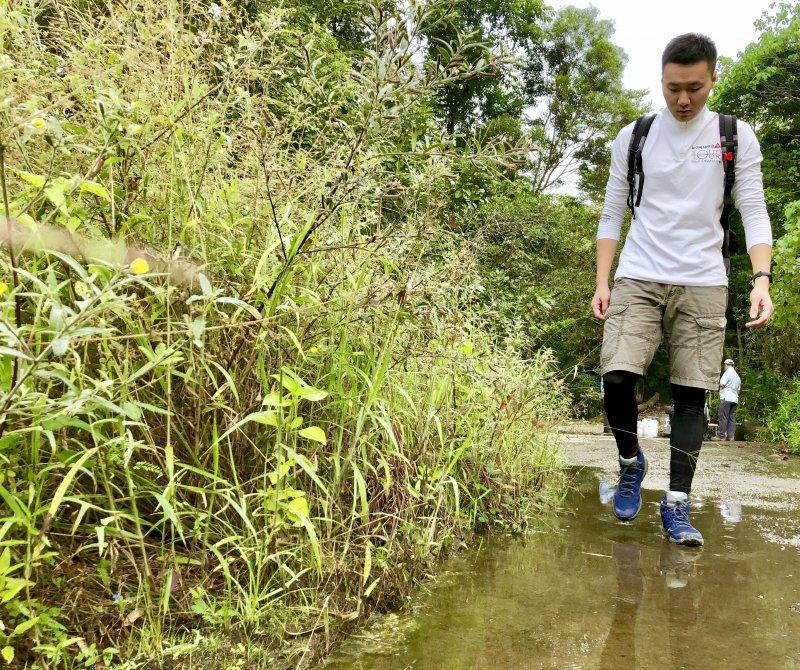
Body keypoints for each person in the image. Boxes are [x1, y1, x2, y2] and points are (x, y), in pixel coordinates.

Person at [590, 33, 773, 546]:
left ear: (714, 78)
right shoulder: (636, 136)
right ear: (662, 80)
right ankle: (630, 461)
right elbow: (612, 212)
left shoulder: (736, 136)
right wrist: (603, 280)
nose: (683, 99)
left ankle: (677, 504)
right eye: (673, 88)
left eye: (694, 87)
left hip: (704, 280)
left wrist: (762, 279)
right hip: (638, 272)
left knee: (691, 394)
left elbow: (753, 210)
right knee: (617, 378)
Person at [715, 358, 741, 441]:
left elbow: (722, 384)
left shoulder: (727, 373)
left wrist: (716, 386)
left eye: (724, 365)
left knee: (723, 416)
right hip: (735, 399)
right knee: (731, 417)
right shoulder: (737, 376)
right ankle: (730, 436)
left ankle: (721, 436)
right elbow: (738, 390)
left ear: (726, 365)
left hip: (726, 398)